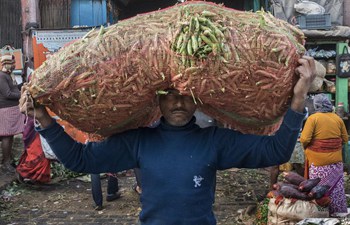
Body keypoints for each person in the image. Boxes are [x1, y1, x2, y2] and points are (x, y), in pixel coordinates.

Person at [19, 55, 316, 225]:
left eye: (186, 96)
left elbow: (277, 149)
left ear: (198, 101)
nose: (178, 103)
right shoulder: (138, 142)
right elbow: (79, 159)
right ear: (157, 102)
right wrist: (43, 119)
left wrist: (299, 96)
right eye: (169, 96)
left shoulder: (214, 141)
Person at [300, 93, 349, 216]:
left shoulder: (313, 118)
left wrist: (309, 148)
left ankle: (320, 214)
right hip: (336, 163)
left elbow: (304, 139)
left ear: (316, 105)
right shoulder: (337, 118)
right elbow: (344, 139)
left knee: (318, 190)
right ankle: (337, 213)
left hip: (318, 162)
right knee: (336, 189)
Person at [0, 54, 25, 173]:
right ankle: (5, 162)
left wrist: (23, 86)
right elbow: (8, 94)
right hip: (6, 109)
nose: (15, 66)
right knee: (7, 136)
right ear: (7, 64)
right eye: (13, 63)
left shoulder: (9, 76)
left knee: (10, 136)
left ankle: (8, 160)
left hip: (11, 108)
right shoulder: (1, 76)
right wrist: (23, 95)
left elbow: (13, 89)